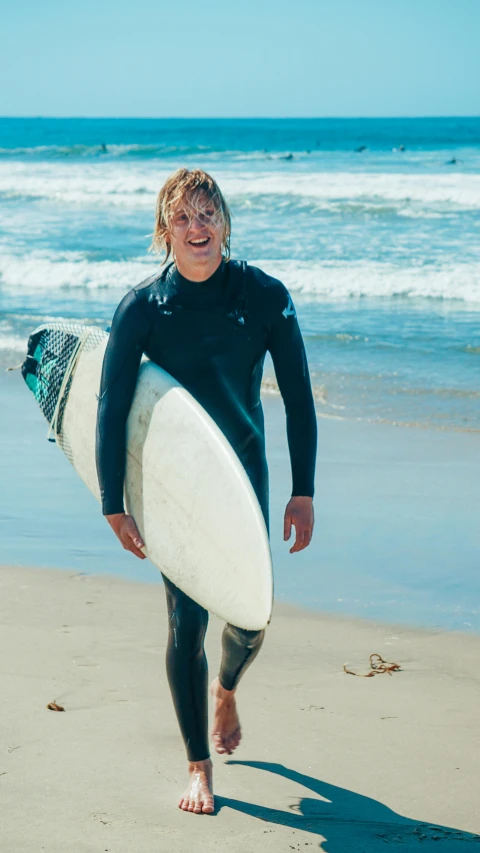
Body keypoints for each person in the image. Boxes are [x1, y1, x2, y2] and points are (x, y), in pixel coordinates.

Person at [95, 168, 317, 815]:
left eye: (208, 215)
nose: (198, 229)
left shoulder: (265, 296)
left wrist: (302, 490)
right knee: (185, 620)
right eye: (184, 218)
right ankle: (198, 764)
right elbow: (111, 408)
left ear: (224, 222)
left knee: (250, 616)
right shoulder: (142, 308)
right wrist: (114, 500)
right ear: (164, 230)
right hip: (173, 486)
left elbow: (299, 397)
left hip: (244, 477)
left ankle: (227, 687)